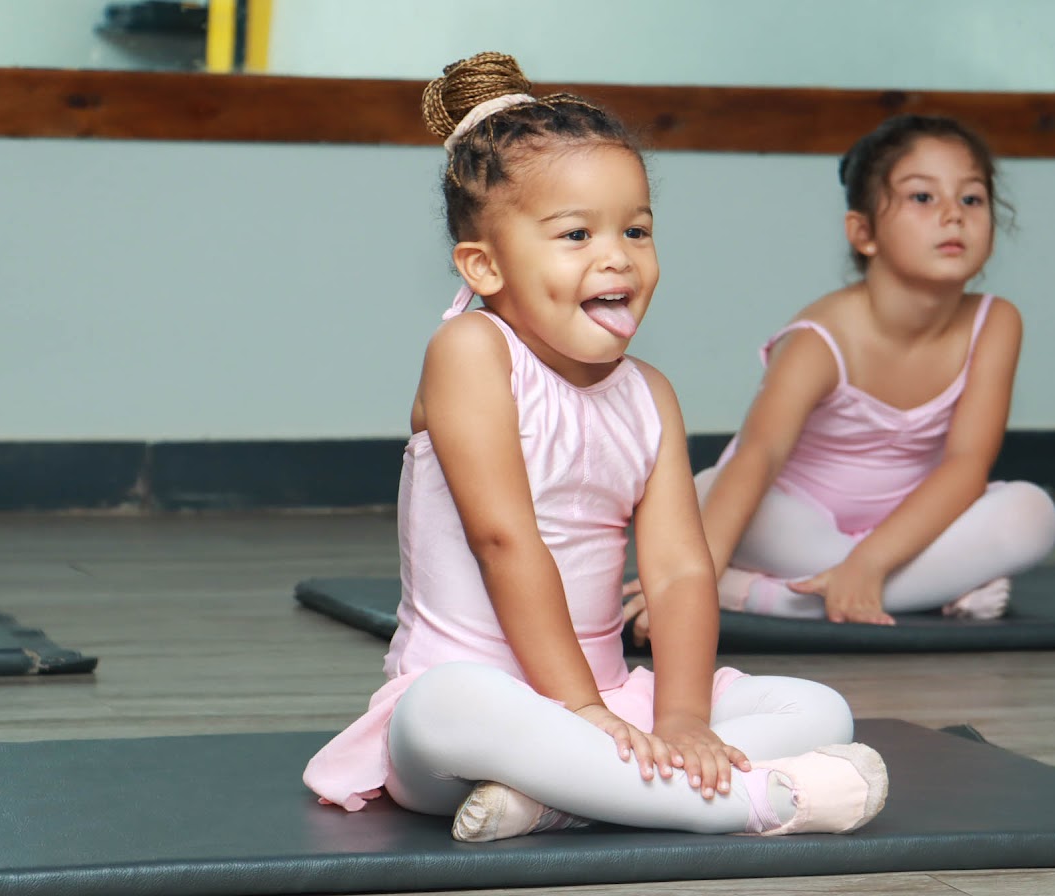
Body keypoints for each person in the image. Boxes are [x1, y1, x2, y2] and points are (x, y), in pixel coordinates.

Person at [302, 52, 887, 843]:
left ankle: (562, 799)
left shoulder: (649, 395)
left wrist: (682, 718)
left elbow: (680, 569)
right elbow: (504, 540)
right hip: (486, 709)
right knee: (446, 710)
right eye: (576, 234)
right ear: (485, 266)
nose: (617, 255)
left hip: (613, 703)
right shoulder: (472, 352)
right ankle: (753, 804)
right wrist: (576, 713)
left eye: (636, 230)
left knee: (821, 709)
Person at [625, 114, 1055, 643]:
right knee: (707, 491)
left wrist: (872, 560)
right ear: (864, 233)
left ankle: (785, 595)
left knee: (1032, 515)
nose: (953, 215)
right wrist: (691, 582)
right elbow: (757, 456)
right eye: (923, 198)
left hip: (907, 527)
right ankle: (914, 588)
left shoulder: (995, 322)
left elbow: (966, 467)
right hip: (794, 524)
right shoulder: (820, 338)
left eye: (971, 199)